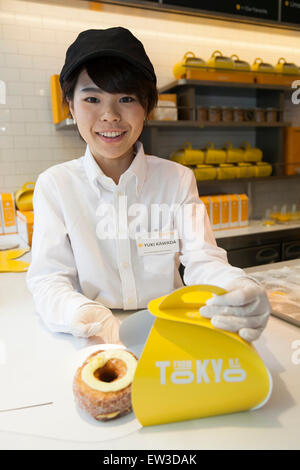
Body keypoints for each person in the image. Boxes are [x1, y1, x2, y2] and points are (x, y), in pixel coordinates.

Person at [26, 27, 270, 344]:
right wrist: (83, 315)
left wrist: (238, 287)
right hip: (91, 335)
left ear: (147, 107)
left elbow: (203, 260)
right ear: (71, 107)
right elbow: (48, 278)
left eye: (126, 98)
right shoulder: (55, 186)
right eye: (92, 98)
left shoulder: (178, 179)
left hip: (172, 329)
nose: (110, 115)